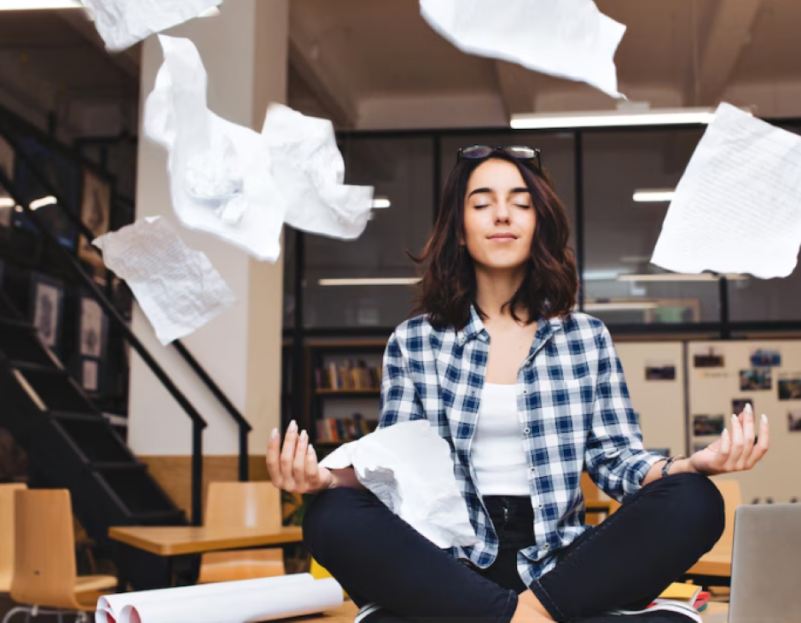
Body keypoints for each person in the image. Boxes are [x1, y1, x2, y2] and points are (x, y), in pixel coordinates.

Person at [267, 145, 771, 623]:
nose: (502, 215)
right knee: (329, 515)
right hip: (453, 562)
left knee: (696, 500)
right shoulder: (415, 341)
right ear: (460, 231)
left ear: (538, 226)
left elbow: (617, 460)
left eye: (520, 204)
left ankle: (505, 614)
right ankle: (526, 616)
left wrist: (688, 466)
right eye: (482, 203)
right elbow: (398, 466)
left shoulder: (585, 337)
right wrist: (325, 481)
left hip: (563, 565)